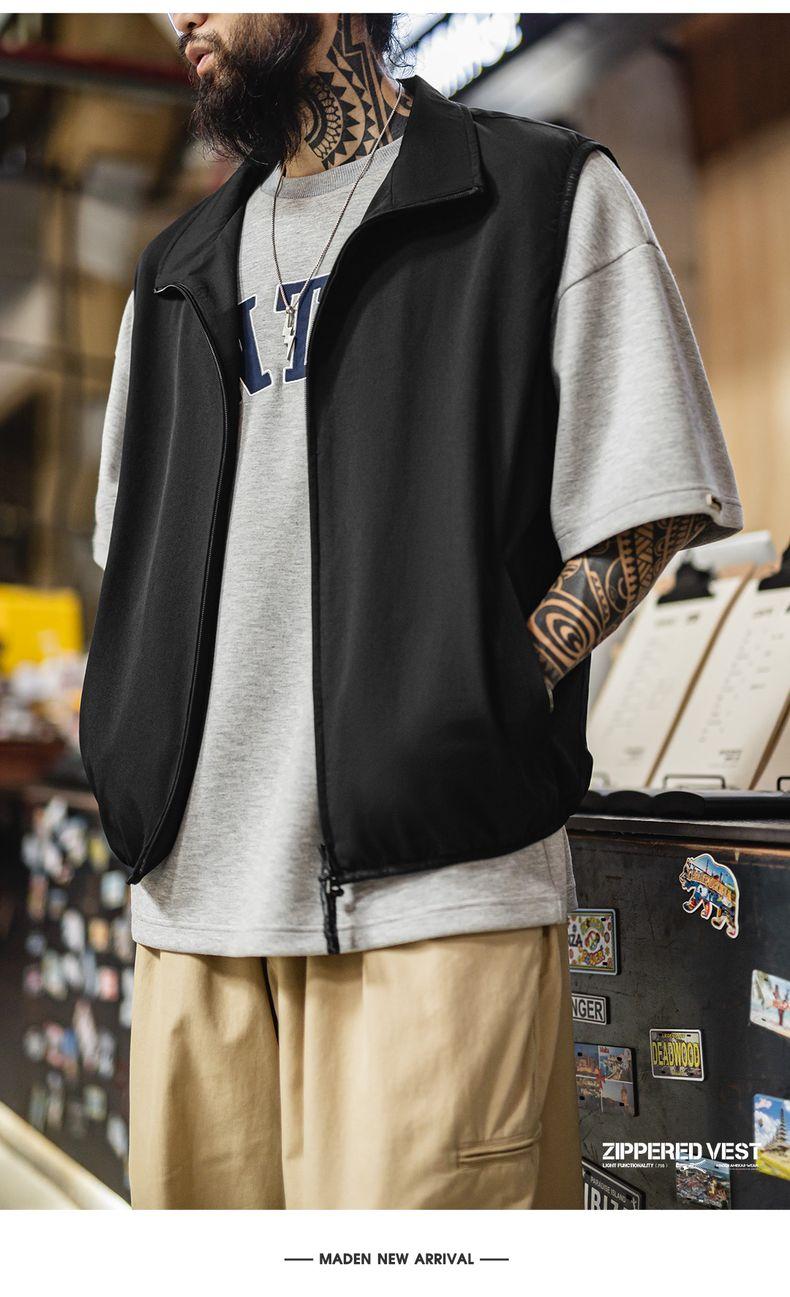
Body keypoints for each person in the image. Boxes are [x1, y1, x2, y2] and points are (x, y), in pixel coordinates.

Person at [82, 13, 743, 1209]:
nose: (180, 15)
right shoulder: (174, 269)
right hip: (191, 912)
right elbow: (131, 557)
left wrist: (481, 693)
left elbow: (648, 496)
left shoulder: (537, 194)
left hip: (436, 901)